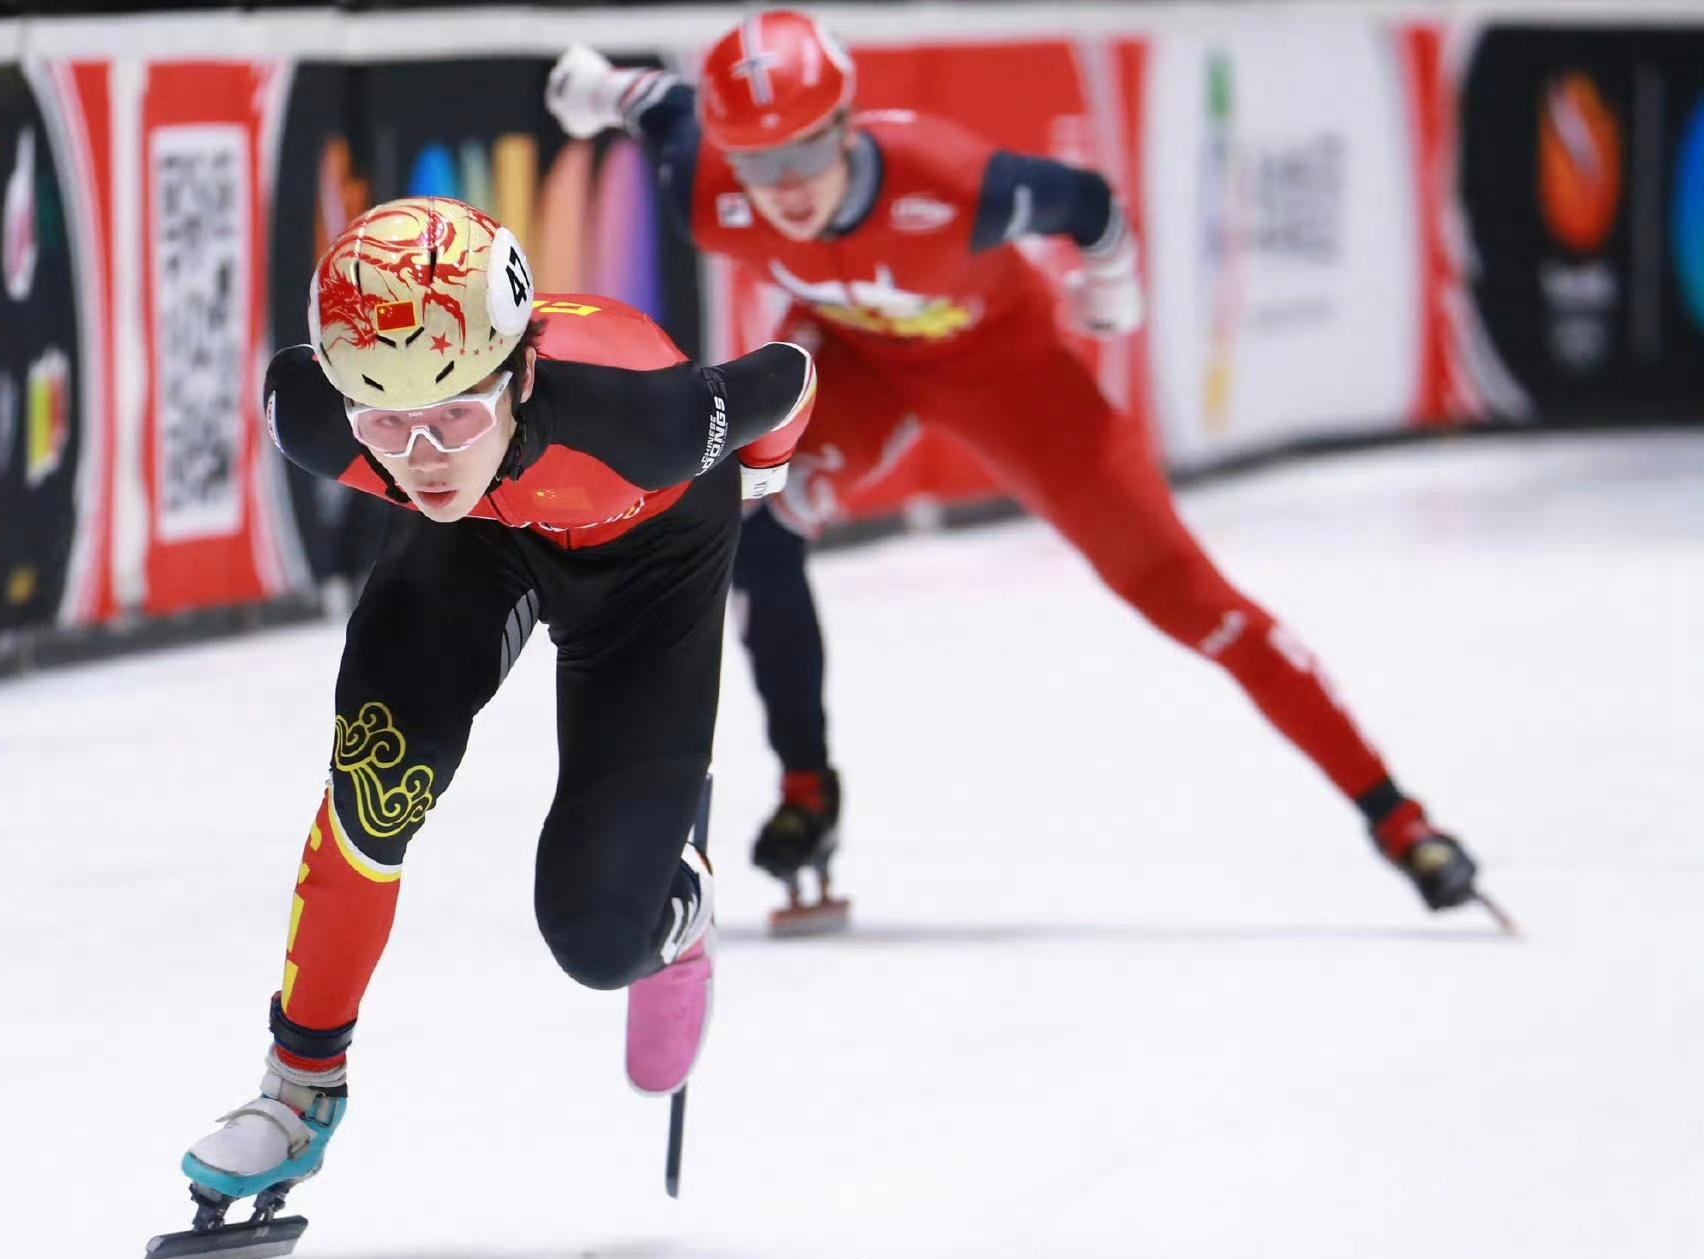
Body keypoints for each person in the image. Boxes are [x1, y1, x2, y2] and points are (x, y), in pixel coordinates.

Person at [545, 11, 1483, 925]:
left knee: (1183, 593)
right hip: (858, 360)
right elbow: (665, 104)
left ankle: (1401, 820)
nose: (783, 187)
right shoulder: (707, 186)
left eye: (802, 154)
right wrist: (597, 87)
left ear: (846, 122)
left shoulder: (953, 185)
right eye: (759, 162)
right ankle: (807, 791)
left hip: (1011, 375)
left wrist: (1111, 287)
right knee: (756, 533)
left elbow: (1091, 203)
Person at [178, 196, 816, 1209]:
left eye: (453, 416)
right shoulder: (310, 414)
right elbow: (416, 441)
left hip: (650, 556)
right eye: (384, 423)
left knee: (599, 939)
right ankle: (297, 1091)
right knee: (373, 787)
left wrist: (756, 488)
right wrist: (434, 439)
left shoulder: (646, 419)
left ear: (518, 374)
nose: (420, 456)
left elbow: (786, 380)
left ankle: (675, 907)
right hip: (478, 539)